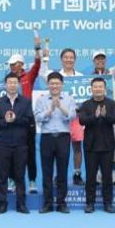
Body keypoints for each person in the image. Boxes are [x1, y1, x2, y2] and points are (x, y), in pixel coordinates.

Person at [0, 73, 35, 214]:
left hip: (20, 144)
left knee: (20, 175)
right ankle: (2, 204)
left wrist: (15, 119)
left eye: (15, 82)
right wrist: (5, 121)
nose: (12, 85)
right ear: (5, 85)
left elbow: (29, 120)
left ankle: (21, 204)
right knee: (2, 175)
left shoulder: (25, 102)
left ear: (18, 84)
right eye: (9, 82)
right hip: (3, 144)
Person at [41, 48, 85, 186]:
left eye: (71, 57)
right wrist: (45, 59)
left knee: (77, 147)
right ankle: (57, 176)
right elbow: (42, 72)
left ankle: (77, 174)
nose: (68, 60)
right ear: (61, 59)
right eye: (66, 57)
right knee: (57, 149)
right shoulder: (56, 76)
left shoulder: (81, 77)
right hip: (57, 116)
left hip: (75, 116)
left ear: (75, 59)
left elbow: (85, 97)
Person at [34, 72, 76, 213]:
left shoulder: (69, 99)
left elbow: (72, 116)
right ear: (48, 84)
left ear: (62, 84)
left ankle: (61, 203)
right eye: (52, 83)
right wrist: (50, 110)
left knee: (62, 171)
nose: (54, 86)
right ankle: (47, 203)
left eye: (57, 83)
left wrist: (61, 107)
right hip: (47, 137)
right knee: (47, 171)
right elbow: (38, 117)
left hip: (63, 137)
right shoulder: (41, 100)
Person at [78, 77, 115, 213]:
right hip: (91, 146)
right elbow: (82, 121)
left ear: (104, 88)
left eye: (100, 87)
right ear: (91, 89)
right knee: (90, 177)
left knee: (107, 177)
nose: (98, 89)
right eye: (95, 87)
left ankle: (108, 203)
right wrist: (95, 116)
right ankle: (90, 203)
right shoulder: (86, 104)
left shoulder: (111, 103)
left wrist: (105, 115)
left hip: (107, 146)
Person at [6, 35, 42, 194]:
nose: (12, 67)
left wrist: (37, 48)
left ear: (21, 64)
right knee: (12, 151)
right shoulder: (8, 80)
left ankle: (32, 181)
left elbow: (38, 63)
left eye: (14, 64)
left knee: (30, 151)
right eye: (10, 65)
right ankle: (12, 180)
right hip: (12, 120)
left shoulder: (29, 76)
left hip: (28, 119)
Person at [91, 49, 115, 186]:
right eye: (97, 59)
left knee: (114, 143)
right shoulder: (88, 77)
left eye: (102, 58)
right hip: (94, 115)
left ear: (105, 60)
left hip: (110, 113)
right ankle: (98, 173)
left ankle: (112, 172)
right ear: (94, 61)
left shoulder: (111, 72)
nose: (100, 61)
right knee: (95, 143)